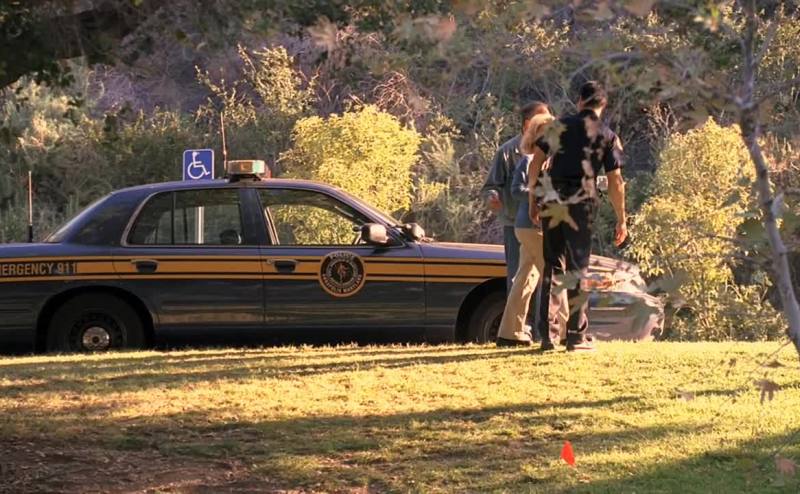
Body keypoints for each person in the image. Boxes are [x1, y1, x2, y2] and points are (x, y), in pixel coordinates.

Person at [528, 81, 628, 352]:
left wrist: (533, 199)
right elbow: (616, 181)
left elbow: (536, 162)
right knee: (578, 267)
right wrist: (621, 218)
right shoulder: (608, 135)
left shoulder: (559, 125)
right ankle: (575, 335)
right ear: (602, 105)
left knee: (552, 264)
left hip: (553, 197)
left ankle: (547, 336)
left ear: (580, 101)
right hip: (583, 201)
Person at [495, 108, 568, 347]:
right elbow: (516, 190)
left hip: (532, 227)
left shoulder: (550, 162)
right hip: (531, 227)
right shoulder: (528, 161)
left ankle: (509, 332)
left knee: (525, 278)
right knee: (555, 274)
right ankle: (566, 330)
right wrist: (537, 195)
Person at [482, 101, 550, 342]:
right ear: (528, 124)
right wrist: (493, 198)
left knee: (535, 278)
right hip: (515, 224)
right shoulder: (508, 151)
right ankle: (522, 329)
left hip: (542, 225)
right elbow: (492, 186)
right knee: (520, 277)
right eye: (543, 120)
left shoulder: (551, 149)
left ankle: (539, 331)